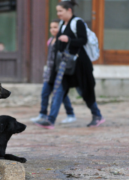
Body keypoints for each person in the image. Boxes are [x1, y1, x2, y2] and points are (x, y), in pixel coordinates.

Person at [35, 0, 105, 129]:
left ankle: (97, 115)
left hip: (79, 65)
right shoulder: (62, 23)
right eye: (57, 11)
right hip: (66, 65)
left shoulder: (77, 22)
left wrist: (69, 40)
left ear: (69, 10)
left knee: (84, 91)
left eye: (60, 11)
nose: (58, 14)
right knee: (59, 90)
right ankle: (50, 120)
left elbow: (83, 40)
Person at [31, 19, 76, 124]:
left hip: (59, 72)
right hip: (50, 71)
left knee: (62, 95)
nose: (53, 29)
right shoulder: (50, 41)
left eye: (55, 27)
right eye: (51, 27)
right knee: (45, 92)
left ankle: (70, 114)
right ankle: (42, 114)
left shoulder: (62, 41)